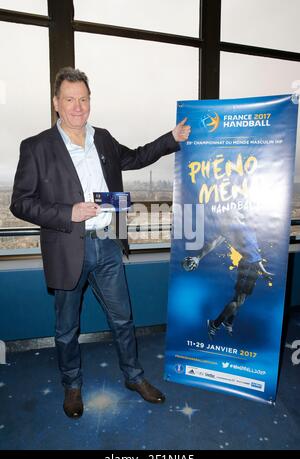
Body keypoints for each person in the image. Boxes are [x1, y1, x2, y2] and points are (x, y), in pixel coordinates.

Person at [10, 67, 191, 418]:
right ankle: (72, 386)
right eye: (69, 100)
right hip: (67, 246)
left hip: (107, 243)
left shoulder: (103, 138)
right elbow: (20, 202)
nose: (77, 107)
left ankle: (134, 377)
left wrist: (171, 137)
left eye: (83, 99)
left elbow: (137, 157)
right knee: (66, 329)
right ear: (56, 104)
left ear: (89, 101)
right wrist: (68, 212)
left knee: (123, 318)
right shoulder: (36, 147)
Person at [181, 209, 273, 340]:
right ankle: (214, 324)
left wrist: (263, 271)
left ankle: (228, 322)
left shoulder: (247, 225)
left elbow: (255, 254)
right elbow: (213, 242)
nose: (240, 214)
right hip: (247, 266)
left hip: (253, 266)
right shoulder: (231, 229)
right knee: (237, 302)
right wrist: (198, 257)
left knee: (242, 299)